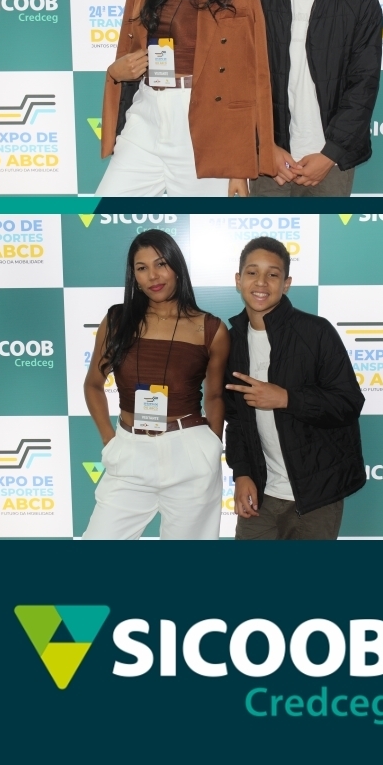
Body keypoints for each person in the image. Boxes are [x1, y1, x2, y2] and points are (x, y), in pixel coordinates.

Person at [96, 0, 276, 197]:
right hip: (146, 119)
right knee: (107, 206)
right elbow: (127, 52)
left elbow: (251, 78)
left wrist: (239, 168)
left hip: (206, 127)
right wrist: (116, 71)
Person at [81, 231, 229, 540]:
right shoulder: (117, 320)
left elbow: (215, 396)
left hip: (189, 453)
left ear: (177, 267)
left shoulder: (210, 328)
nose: (153, 276)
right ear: (133, 276)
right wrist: (110, 440)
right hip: (130, 452)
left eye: (161, 264)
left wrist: (212, 444)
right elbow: (93, 384)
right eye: (142, 268)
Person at [225, 238, 365, 540]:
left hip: (318, 496)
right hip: (261, 493)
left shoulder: (316, 332)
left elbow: (349, 403)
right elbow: (235, 419)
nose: (261, 282)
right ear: (238, 280)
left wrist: (286, 398)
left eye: (273, 274)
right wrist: (242, 473)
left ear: (286, 284)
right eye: (252, 272)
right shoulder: (231, 341)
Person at [252, 0, 383, 197]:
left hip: (332, 162)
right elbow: (243, 80)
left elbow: (363, 83)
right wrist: (264, 146)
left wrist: (331, 154)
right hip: (272, 159)